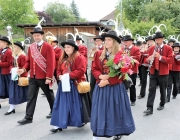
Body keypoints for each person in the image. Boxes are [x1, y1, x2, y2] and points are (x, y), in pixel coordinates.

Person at [91, 30, 135, 140]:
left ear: (114, 42)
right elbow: (94, 68)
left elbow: (121, 73)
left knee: (114, 111)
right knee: (100, 110)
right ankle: (97, 133)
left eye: (109, 40)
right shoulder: (98, 53)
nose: (106, 42)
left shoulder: (121, 55)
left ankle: (117, 131)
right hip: (101, 86)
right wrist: (101, 77)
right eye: (105, 39)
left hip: (114, 88)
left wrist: (107, 81)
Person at [50, 39, 90, 132]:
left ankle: (79, 121)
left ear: (73, 48)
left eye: (68, 47)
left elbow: (81, 70)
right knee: (60, 105)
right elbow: (58, 69)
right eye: (65, 47)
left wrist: (68, 76)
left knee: (75, 105)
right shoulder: (62, 58)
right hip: (63, 84)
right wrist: (59, 75)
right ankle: (58, 124)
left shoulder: (79, 57)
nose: (66, 49)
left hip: (74, 84)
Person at [17, 27, 55, 125]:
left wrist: (49, 77)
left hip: (44, 76)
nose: (36, 37)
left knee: (49, 95)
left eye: (38, 35)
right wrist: (24, 69)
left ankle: (55, 110)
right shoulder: (31, 47)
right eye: (34, 35)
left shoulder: (48, 46)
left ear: (42, 36)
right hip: (33, 77)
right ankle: (28, 117)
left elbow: (51, 63)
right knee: (31, 97)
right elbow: (28, 61)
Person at [143, 31, 173, 115]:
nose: (157, 41)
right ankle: (149, 108)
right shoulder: (152, 48)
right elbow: (146, 59)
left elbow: (170, 60)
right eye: (156, 39)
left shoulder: (168, 48)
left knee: (163, 90)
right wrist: (148, 59)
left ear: (162, 39)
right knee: (151, 89)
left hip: (163, 73)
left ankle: (162, 103)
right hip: (153, 72)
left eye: (159, 39)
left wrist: (160, 57)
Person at [4, 41, 28, 115]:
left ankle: (29, 107)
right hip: (14, 77)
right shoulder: (13, 56)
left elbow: (25, 66)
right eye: (13, 47)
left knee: (25, 93)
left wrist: (20, 69)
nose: (14, 48)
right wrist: (12, 69)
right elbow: (10, 65)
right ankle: (12, 108)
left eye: (15, 47)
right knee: (12, 93)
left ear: (19, 48)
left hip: (21, 77)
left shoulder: (22, 56)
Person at [122, 35, 141, 106]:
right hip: (124, 70)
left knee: (132, 85)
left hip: (133, 70)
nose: (125, 43)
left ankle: (133, 100)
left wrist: (129, 57)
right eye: (124, 41)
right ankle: (123, 99)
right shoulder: (122, 49)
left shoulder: (135, 49)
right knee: (123, 85)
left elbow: (138, 57)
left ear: (131, 41)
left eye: (126, 41)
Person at [0, 36, 13, 108]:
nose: (0, 43)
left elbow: (9, 63)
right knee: (2, 88)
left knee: (9, 89)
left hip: (7, 73)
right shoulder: (1, 50)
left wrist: (0, 63)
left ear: (5, 43)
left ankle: (12, 104)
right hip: (2, 72)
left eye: (1, 42)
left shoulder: (9, 51)